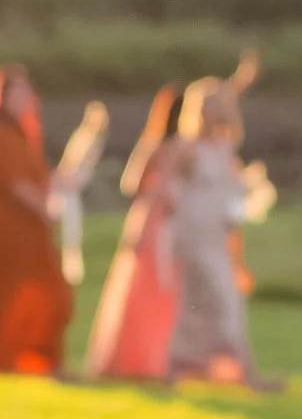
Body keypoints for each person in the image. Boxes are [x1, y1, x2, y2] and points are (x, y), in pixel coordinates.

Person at [166, 78, 276, 386]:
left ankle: (187, 369)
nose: (209, 113)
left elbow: (231, 199)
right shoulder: (185, 148)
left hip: (217, 234)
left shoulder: (226, 148)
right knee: (213, 298)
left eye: (213, 106)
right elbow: (161, 187)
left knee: (216, 299)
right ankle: (244, 375)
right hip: (193, 232)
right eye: (203, 106)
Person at [0, 66, 73, 375]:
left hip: (28, 225)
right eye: (15, 92)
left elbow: (33, 176)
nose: (22, 98)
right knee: (7, 291)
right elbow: (15, 183)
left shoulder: (23, 133)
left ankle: (38, 358)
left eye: (25, 91)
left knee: (47, 290)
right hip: (9, 223)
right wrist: (44, 209)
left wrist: (58, 184)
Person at [84, 85, 186, 380]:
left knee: (167, 291)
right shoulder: (155, 145)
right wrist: (160, 190)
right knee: (143, 288)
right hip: (153, 221)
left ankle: (159, 359)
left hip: (172, 220)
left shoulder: (185, 149)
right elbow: (132, 184)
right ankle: (134, 360)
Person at [49, 99, 113, 287]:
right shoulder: (83, 135)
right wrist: (61, 178)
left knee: (71, 231)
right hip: (66, 183)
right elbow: (70, 160)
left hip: (72, 184)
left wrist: (72, 180)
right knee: (60, 227)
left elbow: (85, 166)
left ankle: (71, 271)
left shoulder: (95, 139)